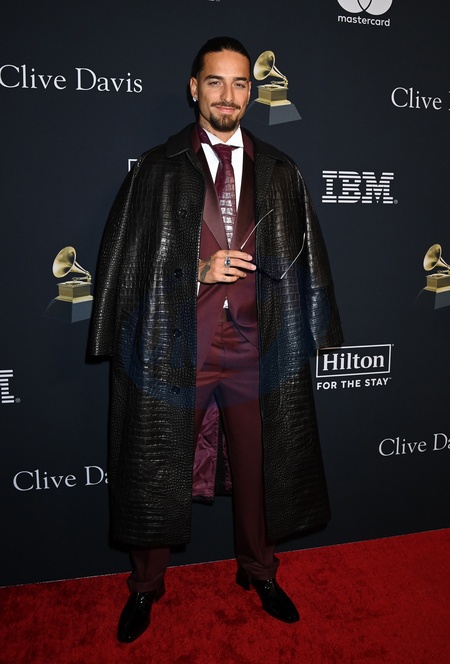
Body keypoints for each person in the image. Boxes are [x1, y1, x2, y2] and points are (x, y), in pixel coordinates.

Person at [89, 36, 343, 643]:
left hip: (258, 347)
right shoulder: (157, 169)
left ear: (251, 92)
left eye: (239, 83)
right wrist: (195, 271)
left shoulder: (280, 169)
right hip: (175, 345)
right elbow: (126, 267)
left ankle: (259, 571)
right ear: (194, 88)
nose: (228, 96)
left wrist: (319, 327)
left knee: (261, 468)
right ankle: (146, 585)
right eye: (215, 82)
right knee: (156, 463)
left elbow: (310, 257)